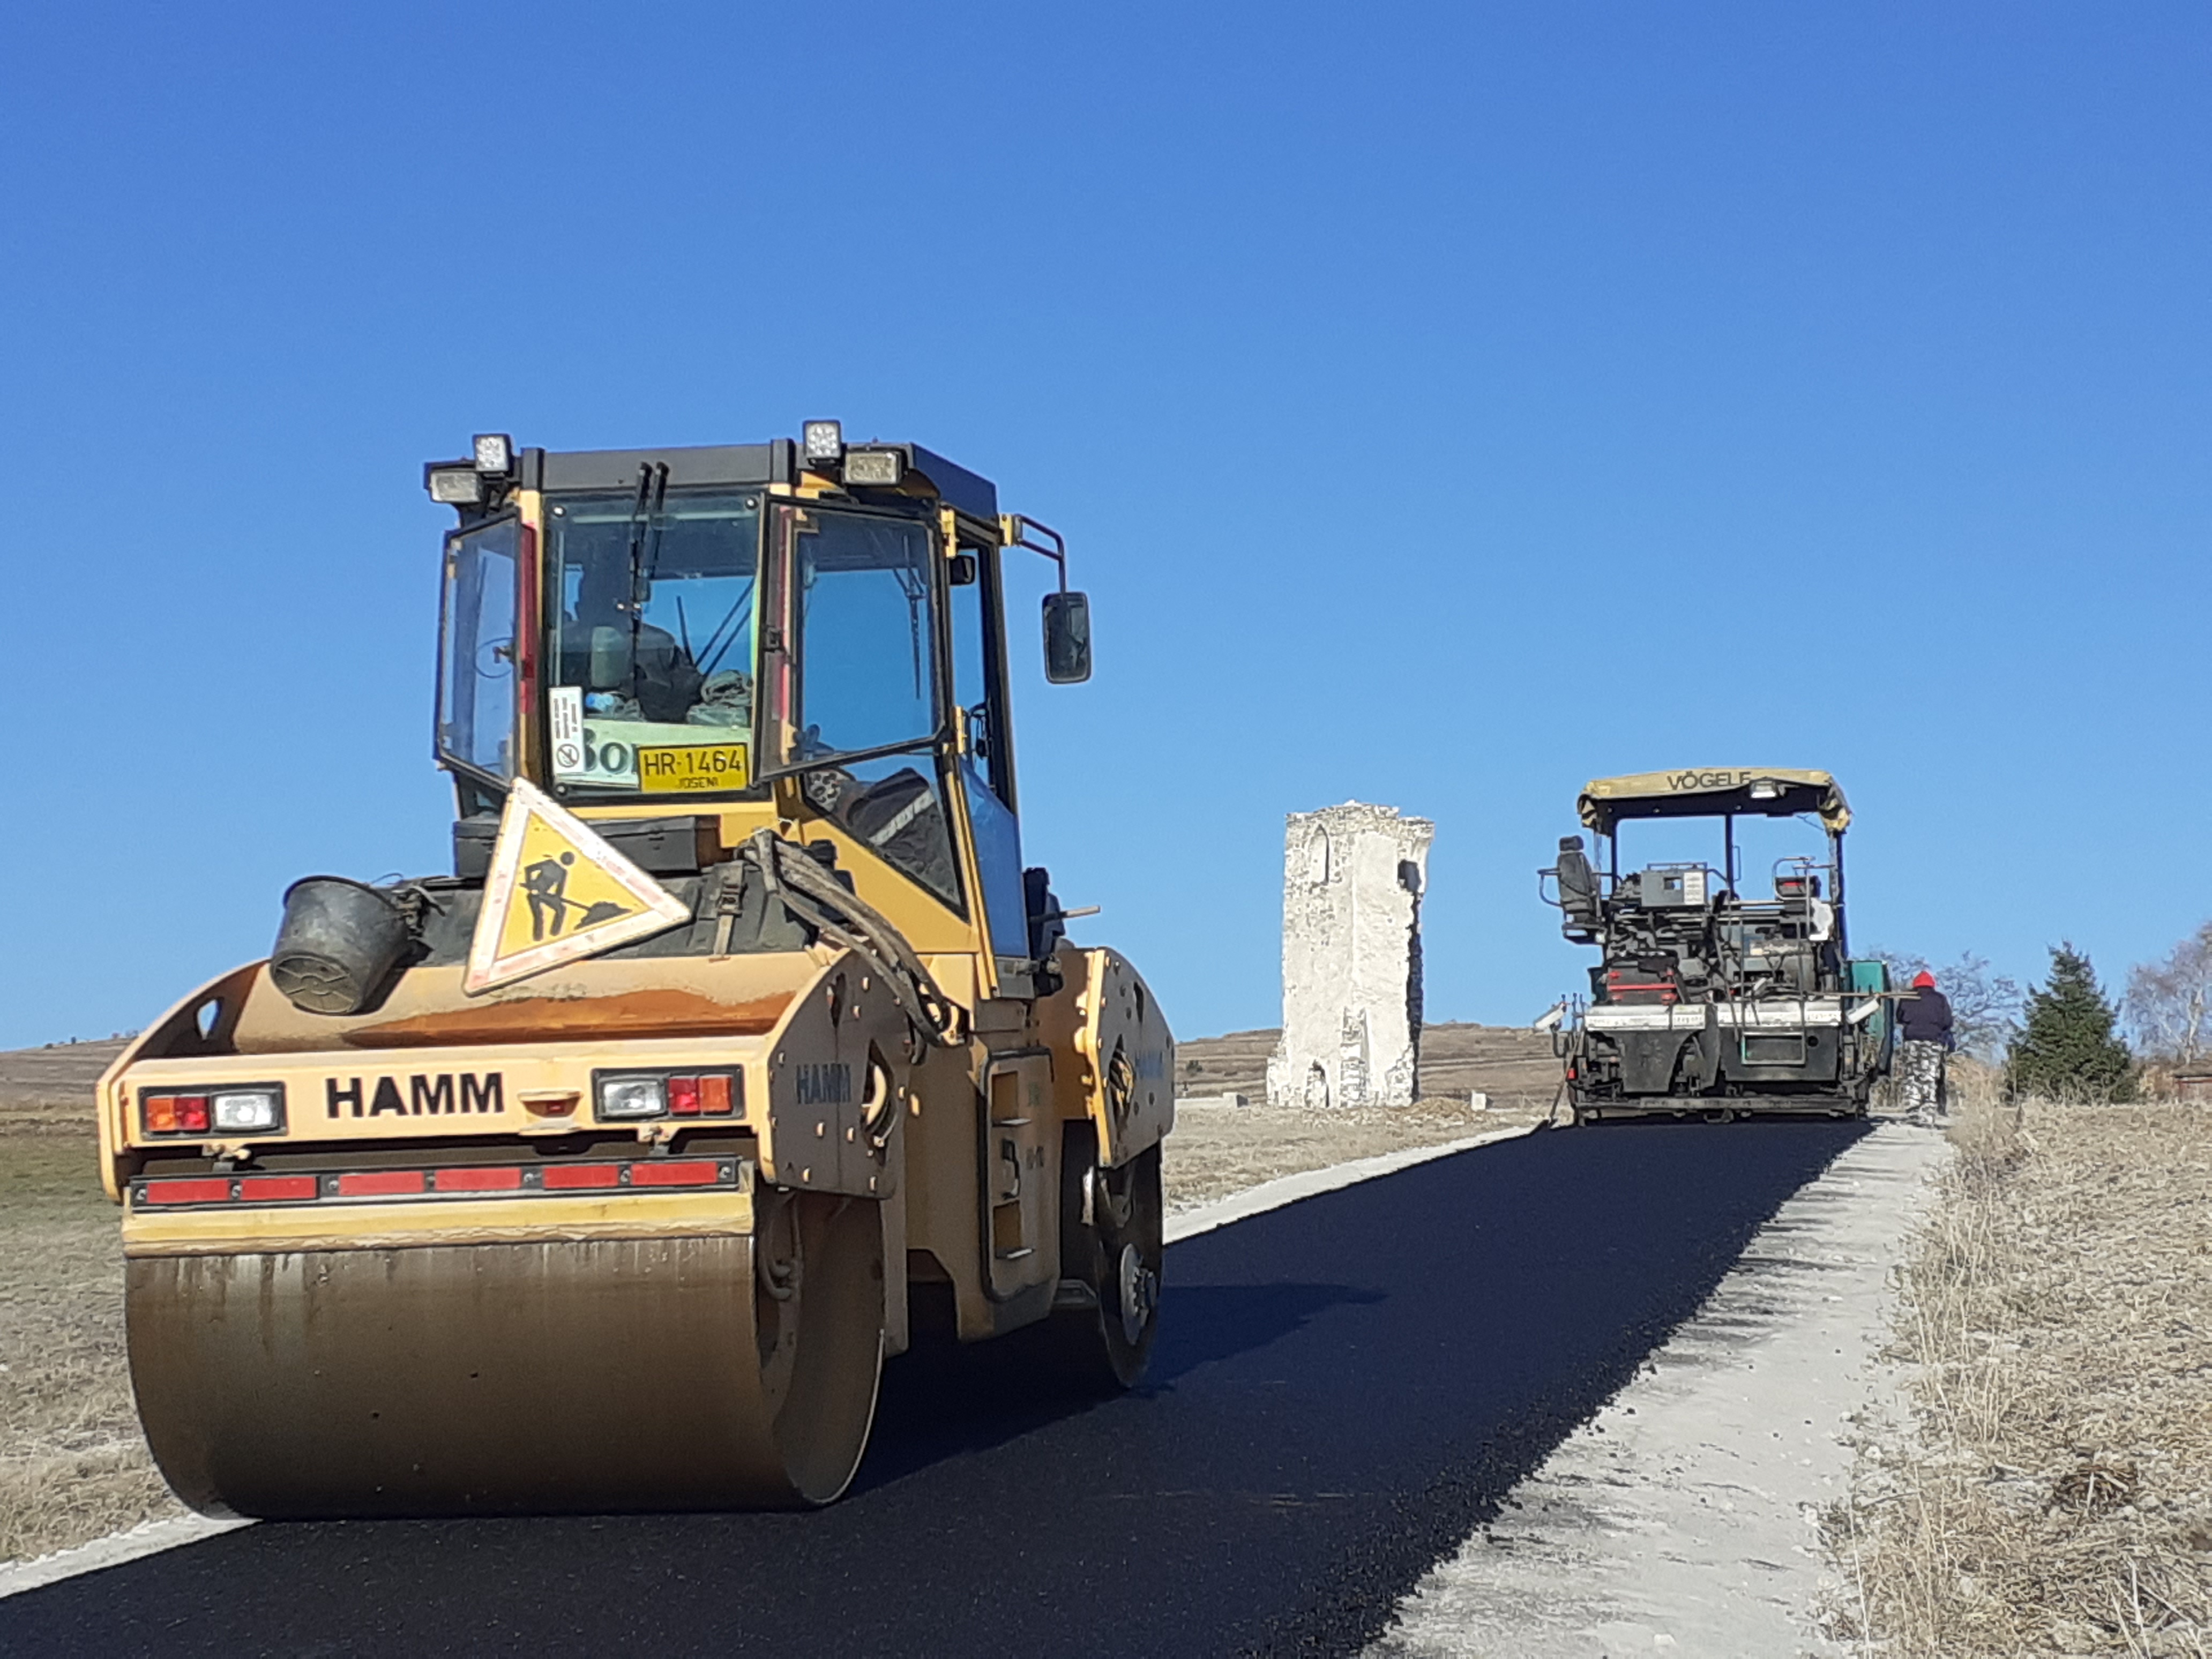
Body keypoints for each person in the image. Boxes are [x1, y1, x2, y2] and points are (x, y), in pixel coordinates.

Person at [1896, 969, 1954, 1125]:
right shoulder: (1940, 1000)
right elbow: (1947, 1022)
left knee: (1912, 1074)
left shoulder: (1907, 998)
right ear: (1932, 984)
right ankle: (1928, 1110)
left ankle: (1913, 1108)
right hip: (1933, 1041)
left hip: (1911, 1040)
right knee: (1929, 1075)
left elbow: (1900, 1017)